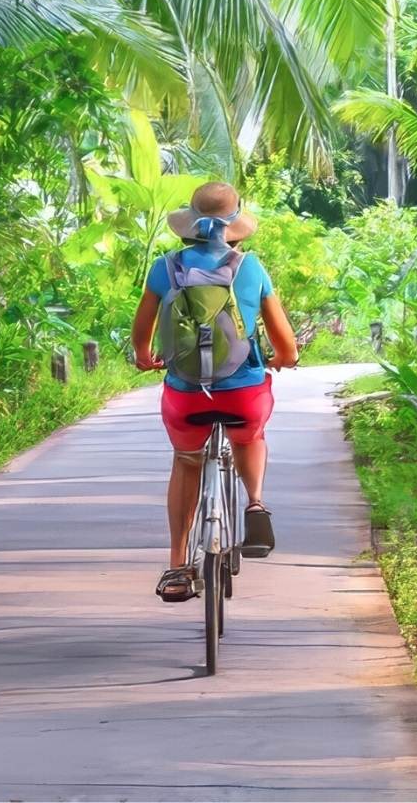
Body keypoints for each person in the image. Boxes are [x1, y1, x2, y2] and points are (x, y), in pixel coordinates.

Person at [131, 182, 299, 602]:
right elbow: (288, 347)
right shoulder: (251, 267)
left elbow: (142, 334)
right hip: (243, 394)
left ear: (188, 223)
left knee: (187, 460)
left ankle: (176, 566)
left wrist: (143, 356)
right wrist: (283, 359)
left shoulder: (165, 267)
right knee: (249, 435)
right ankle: (255, 504)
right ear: (236, 224)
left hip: (186, 396)